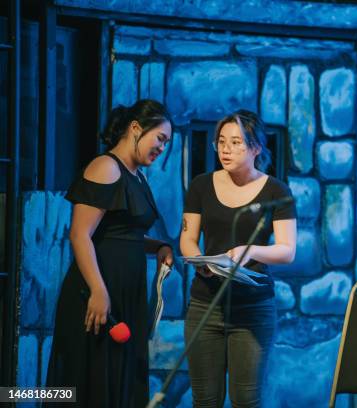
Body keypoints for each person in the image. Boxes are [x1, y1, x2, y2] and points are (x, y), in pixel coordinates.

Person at [45, 99, 175, 407]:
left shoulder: (138, 176)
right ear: (135, 128)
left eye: (166, 143)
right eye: (160, 138)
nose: (162, 148)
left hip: (125, 294)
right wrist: (98, 290)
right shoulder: (106, 167)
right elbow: (80, 233)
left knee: (121, 384)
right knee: (90, 381)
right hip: (98, 291)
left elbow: (124, 236)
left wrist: (159, 246)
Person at [180, 109, 297, 407]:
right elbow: (188, 238)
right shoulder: (201, 185)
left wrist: (251, 251)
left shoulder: (276, 190)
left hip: (253, 308)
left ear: (256, 147)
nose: (226, 150)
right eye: (221, 142)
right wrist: (201, 261)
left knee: (246, 399)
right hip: (206, 304)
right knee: (205, 400)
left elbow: (287, 250)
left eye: (236, 143)